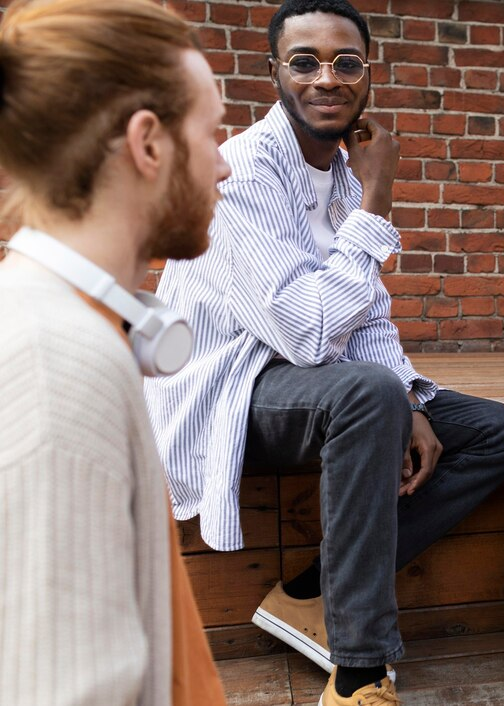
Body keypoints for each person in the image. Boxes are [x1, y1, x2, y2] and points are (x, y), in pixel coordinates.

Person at [141, 0, 504, 703]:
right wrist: (377, 198)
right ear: (274, 73)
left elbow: (368, 319)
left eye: (346, 63)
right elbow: (308, 332)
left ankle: (311, 590)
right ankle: (358, 670)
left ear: (368, 75)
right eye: (305, 62)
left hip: (316, 386)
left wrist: (409, 399)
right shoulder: (246, 175)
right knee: (366, 392)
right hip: (227, 389)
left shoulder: (345, 176)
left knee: (495, 431)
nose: (328, 78)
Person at [0, 1, 231, 704]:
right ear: (149, 144)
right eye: (213, 132)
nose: (224, 166)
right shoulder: (58, 364)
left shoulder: (68, 325)